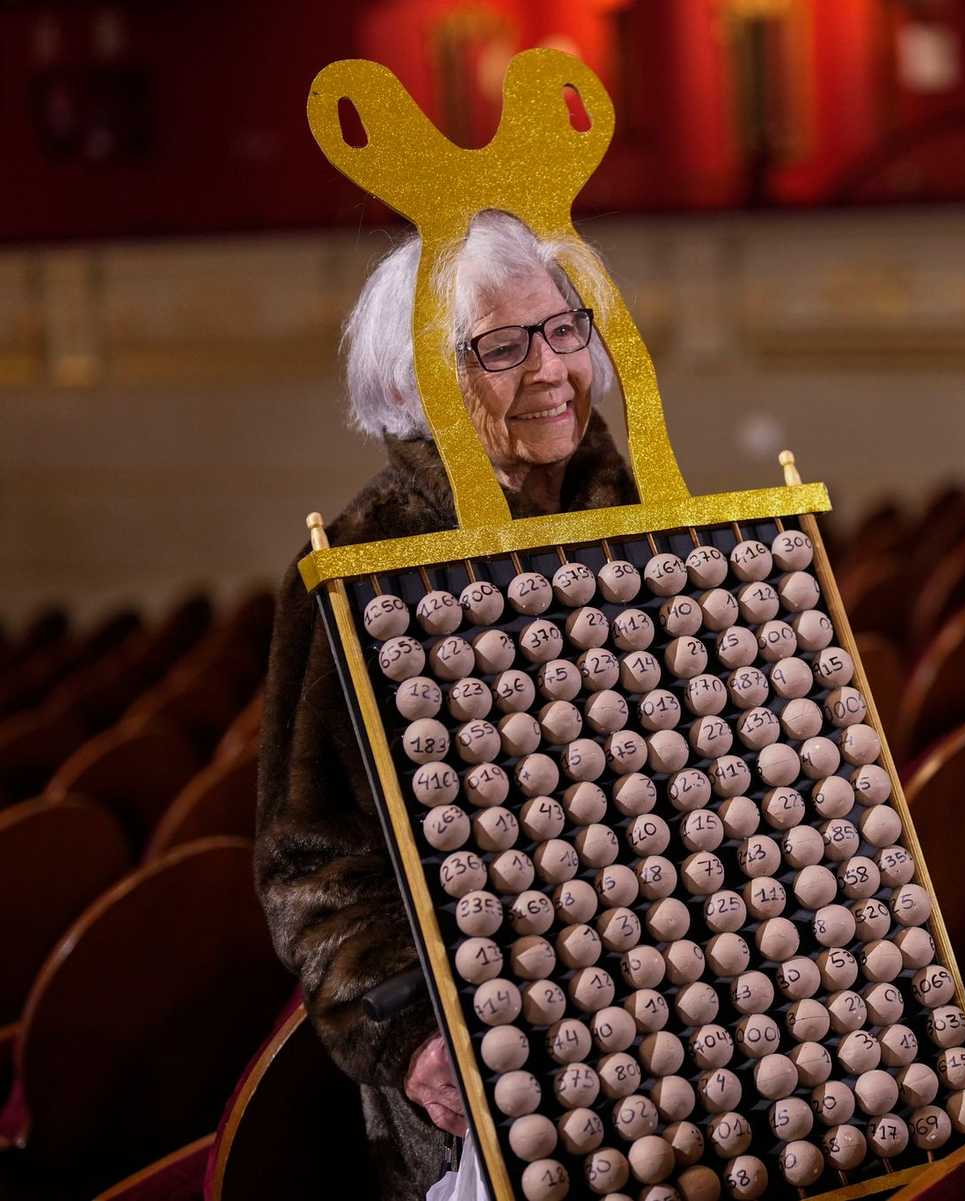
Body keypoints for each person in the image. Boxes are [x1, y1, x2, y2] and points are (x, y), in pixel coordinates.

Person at [254, 211, 638, 1200]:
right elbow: (309, 859)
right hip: (485, 1050)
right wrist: (407, 1039)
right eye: (500, 349)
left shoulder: (640, 519)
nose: (552, 369)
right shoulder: (355, 567)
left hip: (668, 1005)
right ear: (412, 384)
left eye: (564, 330)